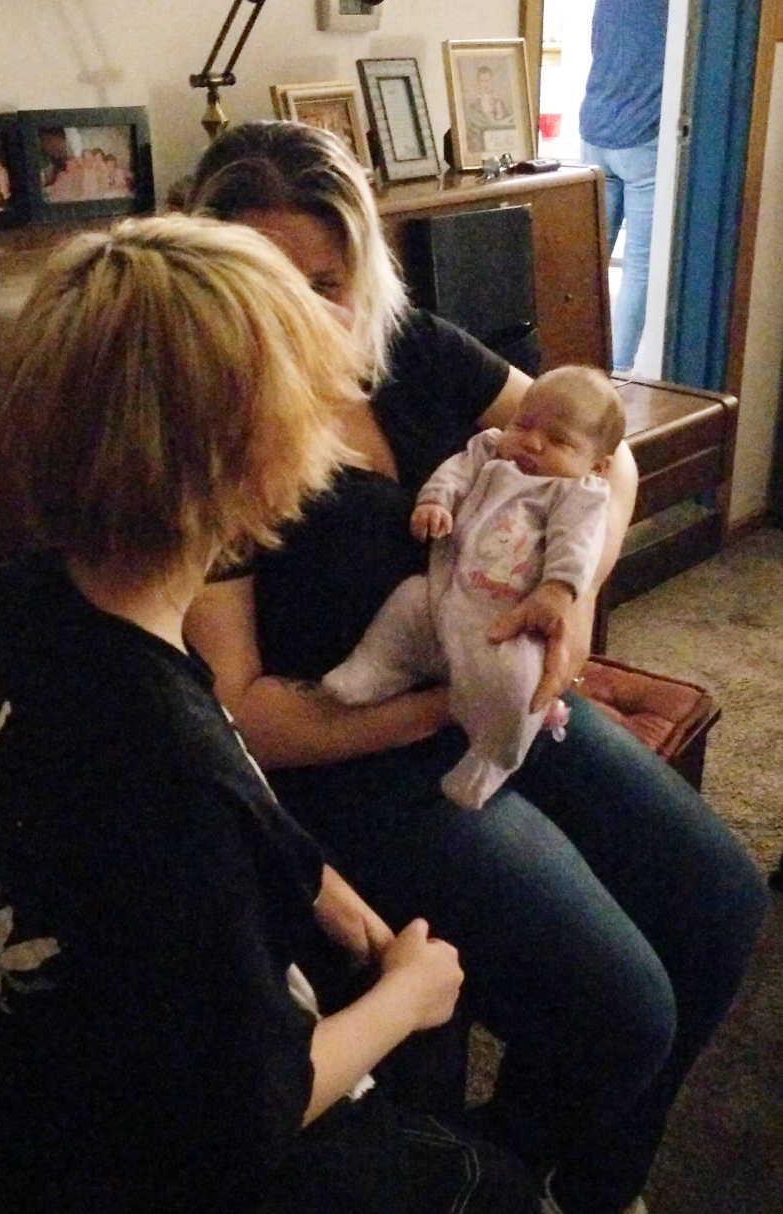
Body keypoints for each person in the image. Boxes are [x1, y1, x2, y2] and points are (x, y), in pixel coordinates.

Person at [179, 120, 767, 1214]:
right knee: (623, 1009)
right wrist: (435, 710)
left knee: (722, 903)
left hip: (502, 693)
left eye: (328, 282)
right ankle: (492, 1177)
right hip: (355, 757)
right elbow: (247, 715)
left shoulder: (408, 347)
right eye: (268, 284)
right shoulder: (208, 441)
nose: (308, 314)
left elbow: (607, 459)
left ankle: (594, 1185)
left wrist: (575, 605)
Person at [0, 213, 540, 1214]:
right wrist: (405, 996)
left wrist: (321, 886)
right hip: (143, 1146)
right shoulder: (170, 771)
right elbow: (245, 1113)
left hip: (25, 1031)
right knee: (492, 1183)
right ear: (255, 459)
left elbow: (224, 801)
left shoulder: (9, 608)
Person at [323, 365, 625, 809]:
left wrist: (557, 592)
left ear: (597, 466)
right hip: (445, 591)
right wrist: (435, 501)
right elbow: (453, 474)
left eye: (559, 441)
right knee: (407, 602)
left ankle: (493, 755)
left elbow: (576, 544)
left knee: (518, 684)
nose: (532, 443)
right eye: (524, 424)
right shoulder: (489, 450)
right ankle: (377, 669)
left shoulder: (576, 494)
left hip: (510, 618)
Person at [579, 0, 669, 373]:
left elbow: (598, 45)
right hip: (642, 138)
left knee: (588, 260)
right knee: (639, 264)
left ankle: (577, 360)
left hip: (596, 128)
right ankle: (617, 370)